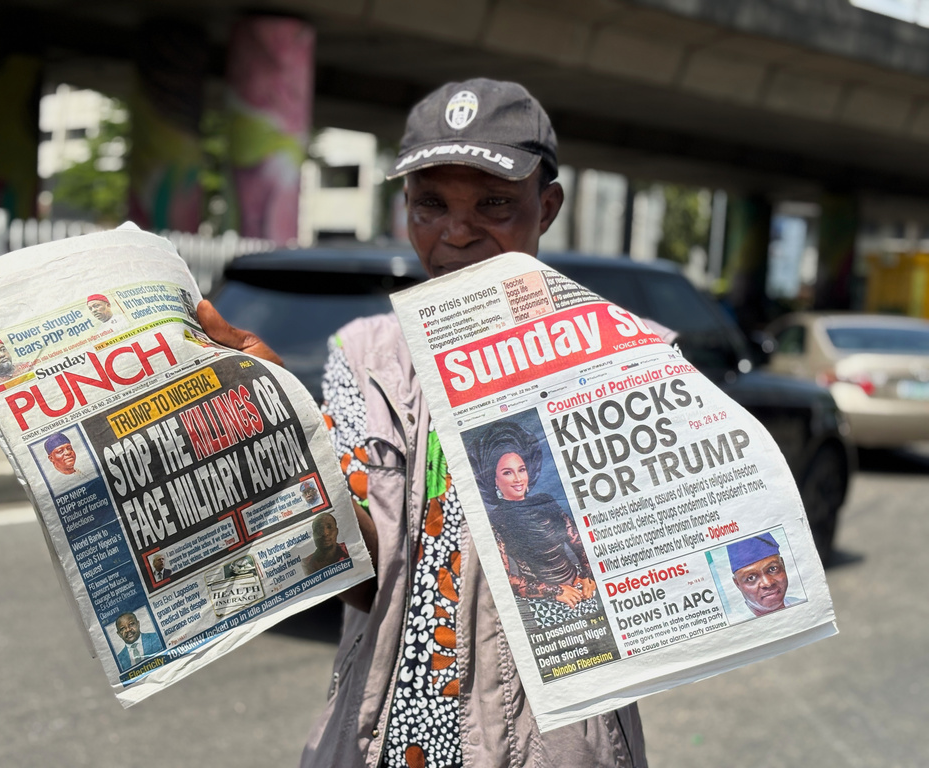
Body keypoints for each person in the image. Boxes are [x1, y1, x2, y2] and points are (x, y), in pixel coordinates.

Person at [198, 78, 647, 767]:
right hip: (389, 738)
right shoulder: (365, 357)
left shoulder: (616, 358)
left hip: (546, 747)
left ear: (547, 207)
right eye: (431, 204)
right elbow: (362, 580)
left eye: (494, 204)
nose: (457, 233)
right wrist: (279, 437)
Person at [468, 421, 596, 626]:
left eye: (521, 470)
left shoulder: (546, 501)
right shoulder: (496, 520)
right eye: (507, 472)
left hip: (580, 586)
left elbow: (578, 543)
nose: (518, 479)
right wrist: (555, 591)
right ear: (495, 480)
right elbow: (504, 578)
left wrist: (587, 575)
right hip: (543, 601)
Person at [727, 533, 802, 617]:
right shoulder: (736, 621)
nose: (768, 583)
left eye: (773, 569)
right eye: (751, 578)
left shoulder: (803, 606)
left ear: (783, 565)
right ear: (737, 584)